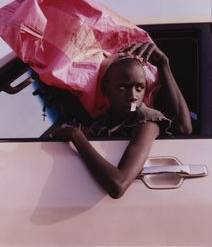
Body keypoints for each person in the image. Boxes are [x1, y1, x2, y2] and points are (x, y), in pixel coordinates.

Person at [51, 42, 192, 199]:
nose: (133, 95)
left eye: (139, 87)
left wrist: (76, 136)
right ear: (105, 89)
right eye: (123, 87)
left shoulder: (147, 122)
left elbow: (118, 185)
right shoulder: (102, 123)